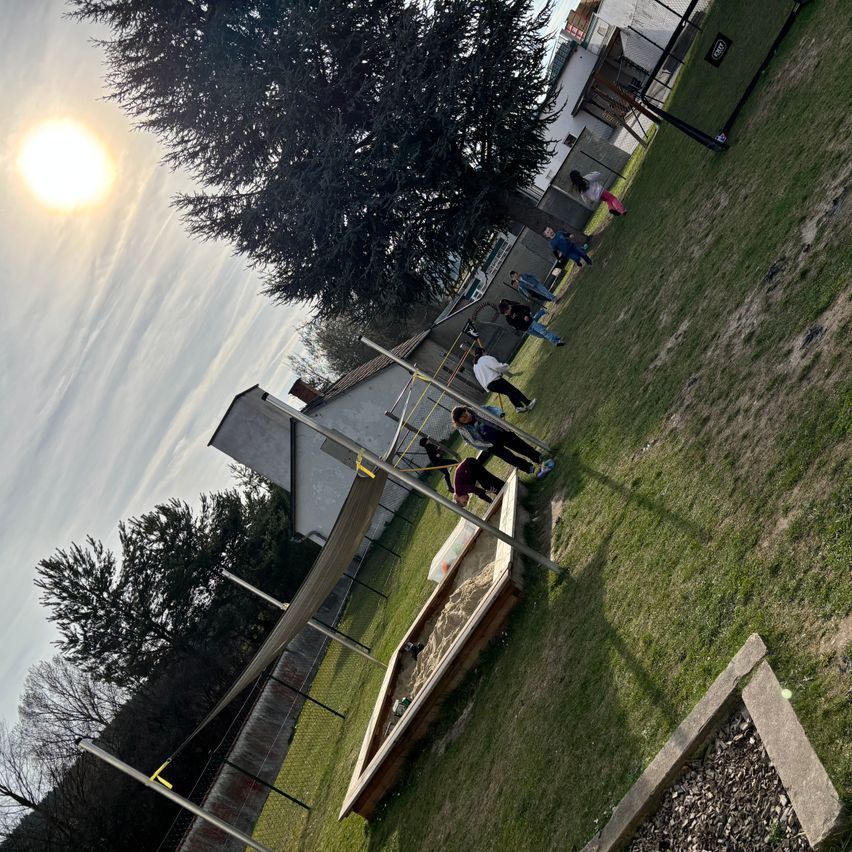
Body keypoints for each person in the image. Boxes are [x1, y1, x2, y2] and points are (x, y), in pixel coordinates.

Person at [451, 406, 555, 479]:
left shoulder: (477, 410)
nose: (467, 419)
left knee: (521, 446)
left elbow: (490, 408)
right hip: (491, 445)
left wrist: (499, 413)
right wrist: (486, 446)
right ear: (460, 422)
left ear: (466, 410)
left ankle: (538, 458)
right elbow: (471, 441)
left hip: (501, 432)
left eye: (466, 415)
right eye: (463, 420)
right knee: (510, 458)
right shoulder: (463, 430)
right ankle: (530, 468)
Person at [472, 346, 535, 413]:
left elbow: (479, 378)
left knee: (509, 392)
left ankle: (519, 407)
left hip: (489, 386)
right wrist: (507, 368)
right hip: (495, 381)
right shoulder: (485, 358)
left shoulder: (475, 366)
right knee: (513, 390)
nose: (487, 353)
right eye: (485, 351)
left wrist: (486, 389)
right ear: (482, 351)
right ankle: (528, 403)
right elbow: (497, 367)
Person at [498, 298, 564, 347]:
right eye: (505, 313)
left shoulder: (515, 307)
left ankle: (557, 342)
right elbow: (516, 327)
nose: (508, 312)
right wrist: (522, 326)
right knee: (542, 336)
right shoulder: (508, 319)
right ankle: (557, 338)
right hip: (527, 330)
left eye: (508, 310)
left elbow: (527, 308)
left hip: (532, 323)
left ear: (509, 306)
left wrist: (527, 315)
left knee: (544, 331)